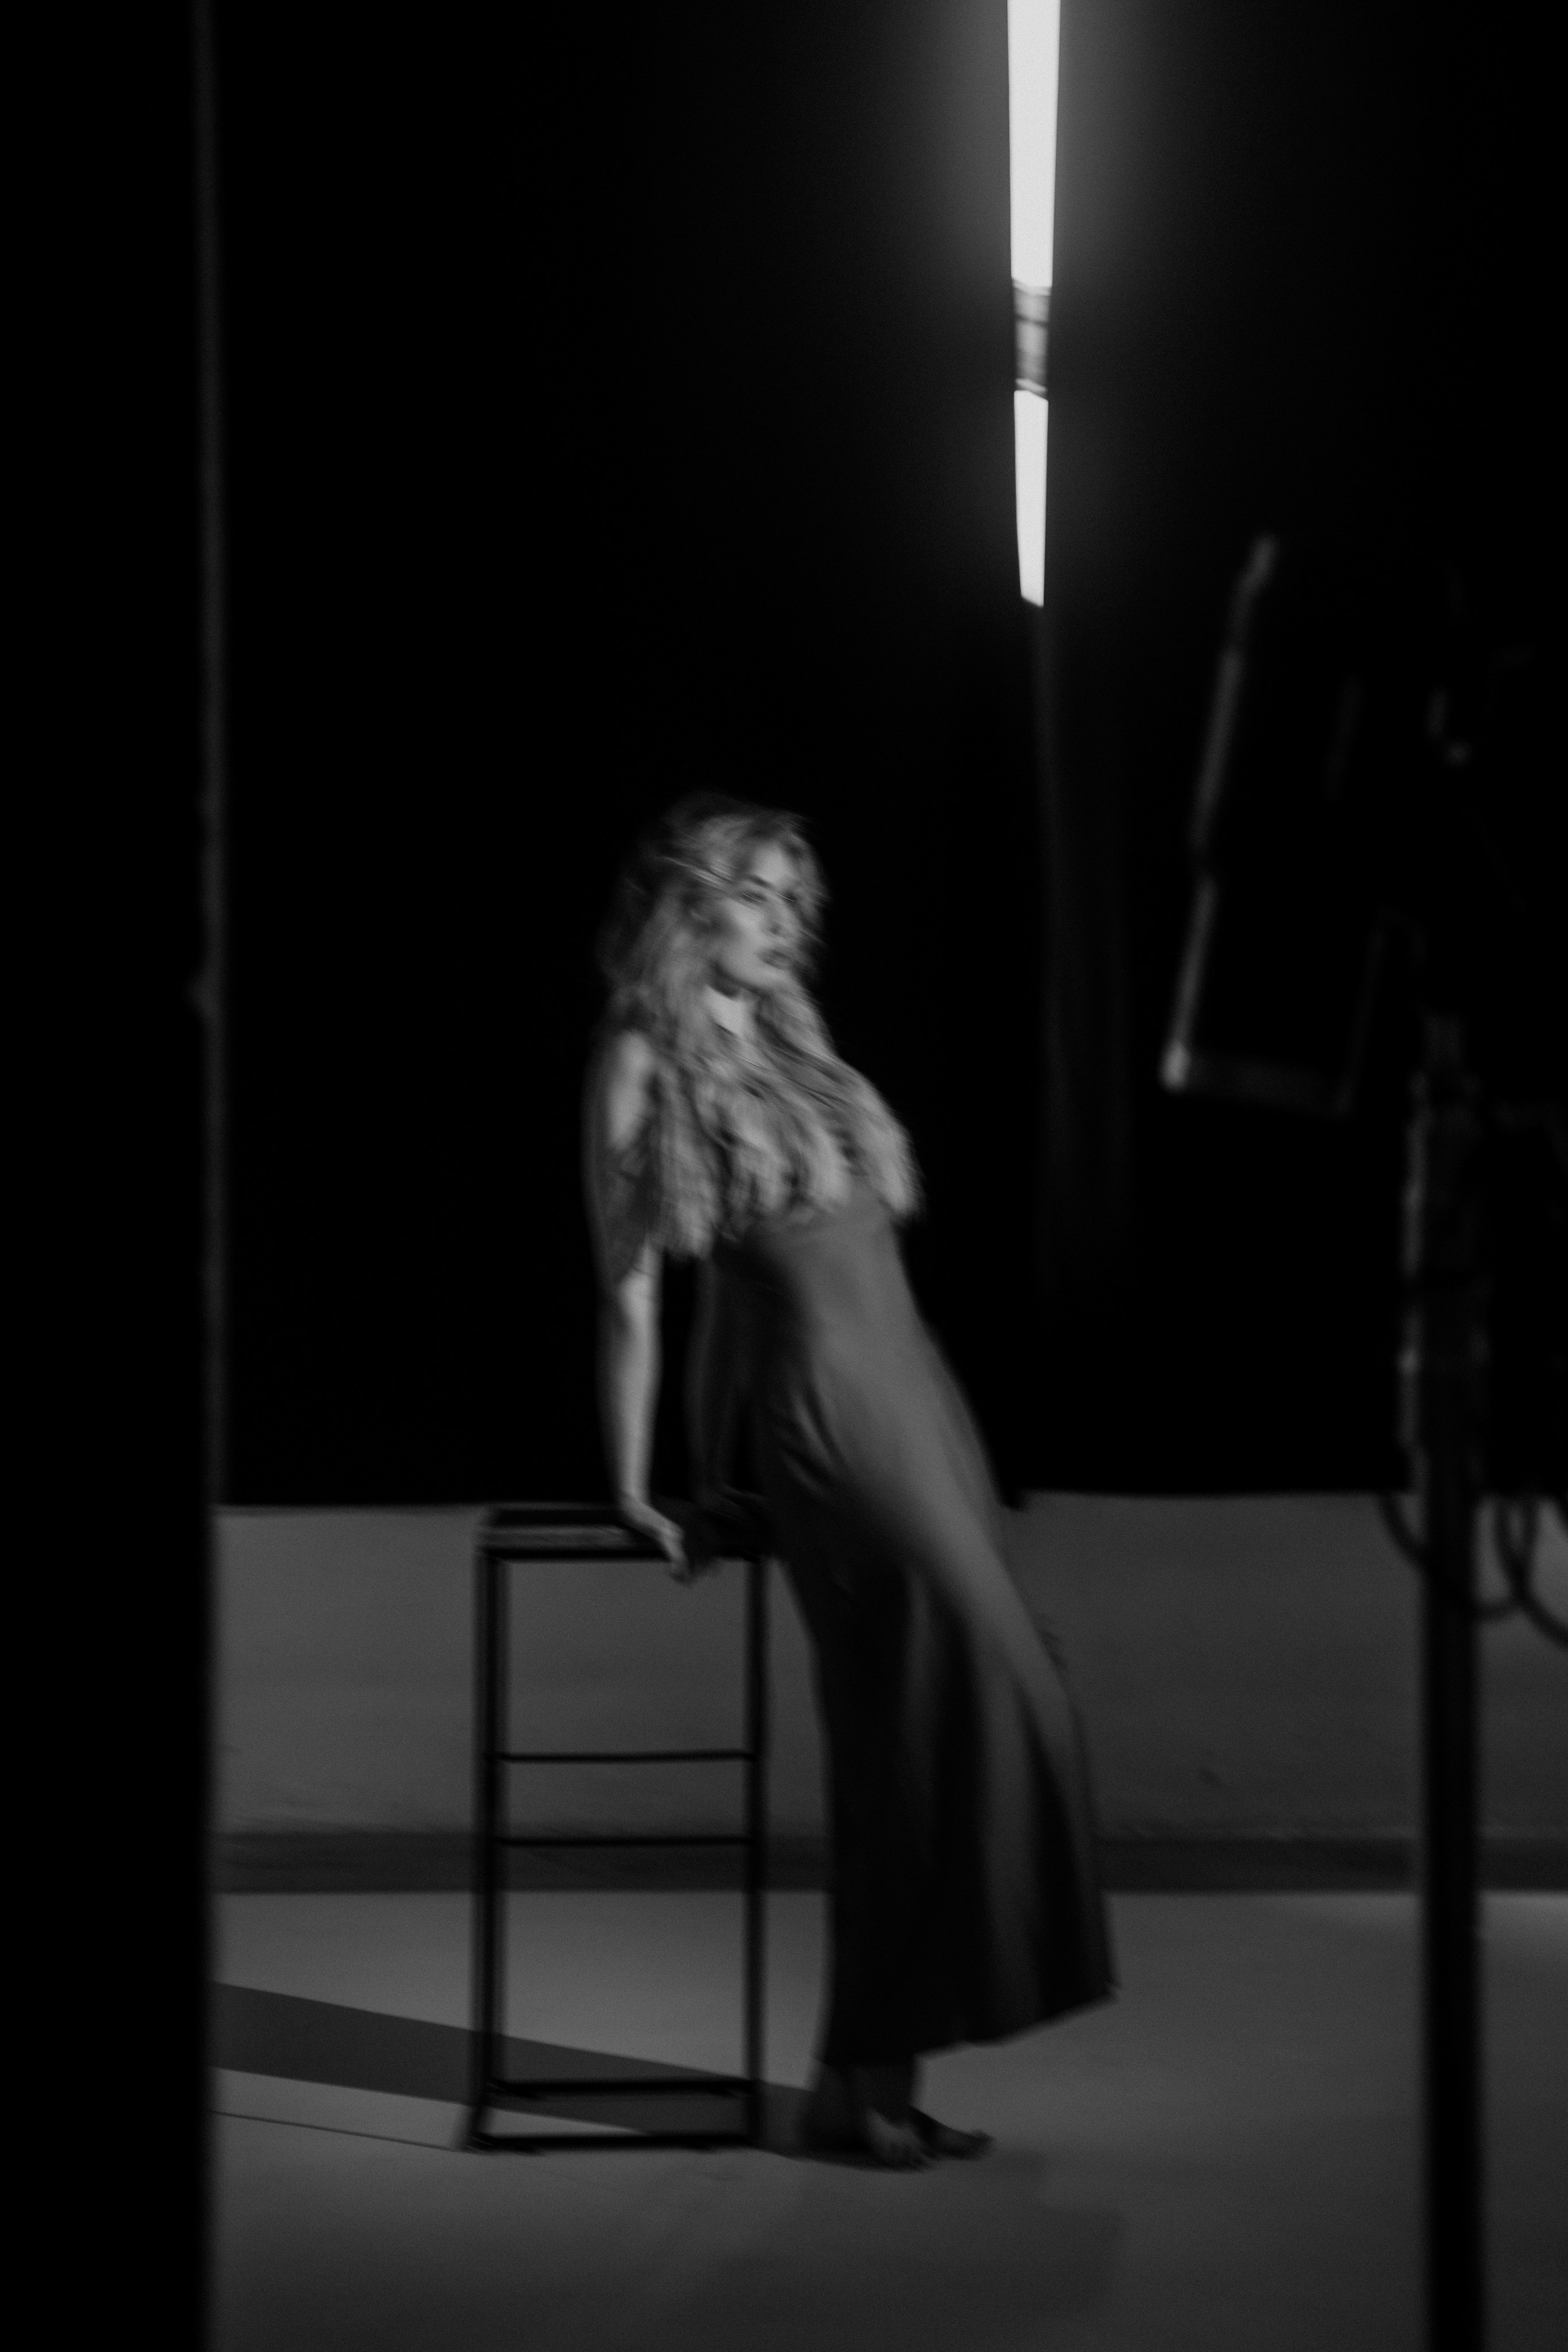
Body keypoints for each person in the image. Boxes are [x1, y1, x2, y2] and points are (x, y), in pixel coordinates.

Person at [582, 792, 1113, 2168]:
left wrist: (716, 1463)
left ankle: (865, 2081)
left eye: (793, 901)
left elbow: (743, 1294)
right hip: (832, 1419)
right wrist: (645, 1484)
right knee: (969, 1695)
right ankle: (863, 2077)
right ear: (691, 902)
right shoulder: (638, 1055)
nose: (785, 923)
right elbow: (643, 1289)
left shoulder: (791, 1034)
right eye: (756, 895)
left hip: (916, 1397)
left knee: (922, 1727)